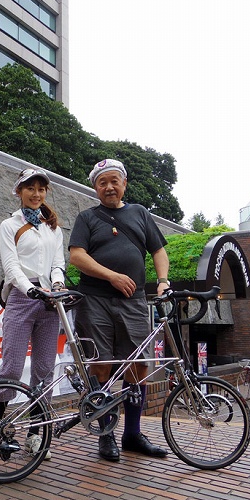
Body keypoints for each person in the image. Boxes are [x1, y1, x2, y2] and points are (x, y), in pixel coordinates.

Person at [68, 158, 170, 462]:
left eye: (114, 181)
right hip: (95, 300)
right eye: (102, 182)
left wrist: (162, 281)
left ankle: (133, 435)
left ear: (124, 183)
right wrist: (111, 276)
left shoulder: (140, 213)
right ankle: (106, 435)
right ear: (95, 187)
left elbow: (158, 251)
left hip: (135, 301)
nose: (109, 187)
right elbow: (76, 256)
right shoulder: (86, 218)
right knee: (102, 366)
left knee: (138, 366)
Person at [0, 168, 66, 459]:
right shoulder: (8, 225)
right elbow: (10, 266)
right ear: (19, 191)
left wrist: (58, 284)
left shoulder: (54, 228)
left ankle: (35, 434)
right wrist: (30, 290)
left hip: (51, 301)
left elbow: (58, 262)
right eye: (30, 188)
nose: (36, 194)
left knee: (43, 371)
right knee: (11, 367)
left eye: (41, 189)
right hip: (22, 298)